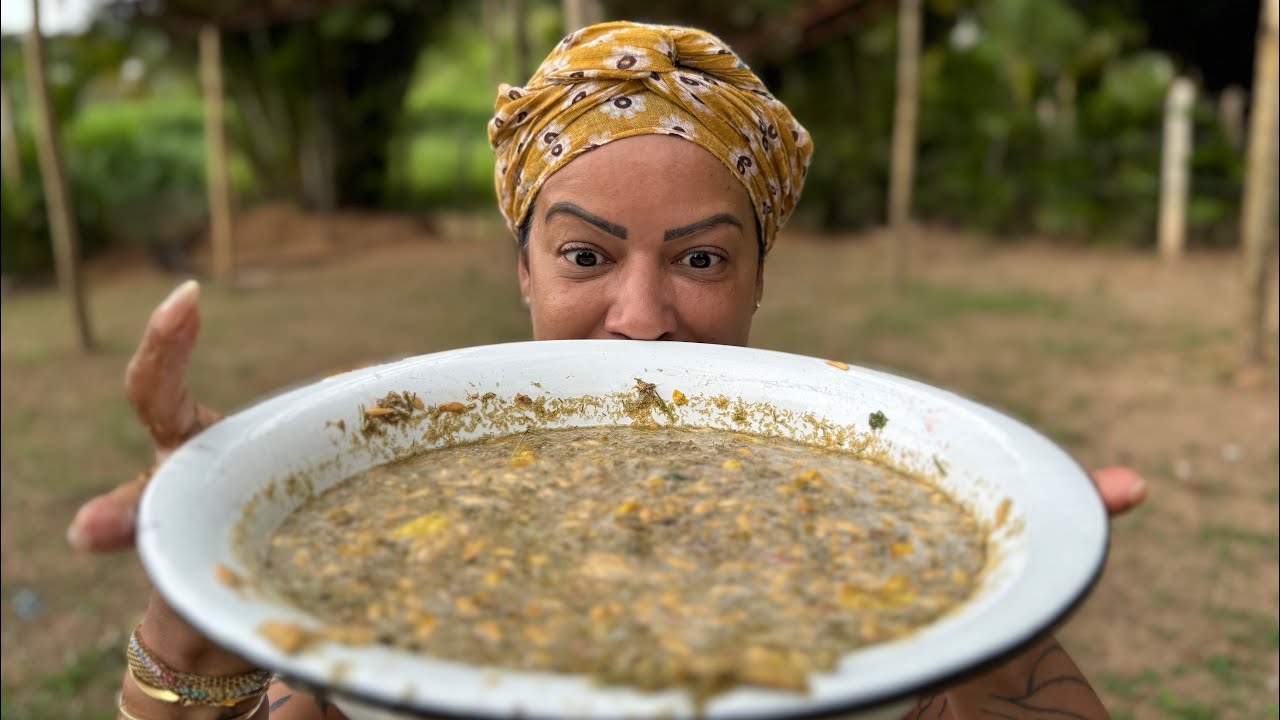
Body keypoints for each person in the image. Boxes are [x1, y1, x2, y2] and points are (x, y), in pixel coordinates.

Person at [69, 21, 1146, 720]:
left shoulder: (893, 579)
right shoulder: (370, 567)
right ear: (523, 273)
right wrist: (189, 616)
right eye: (585, 257)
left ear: (757, 280)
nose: (639, 321)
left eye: (701, 260)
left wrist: (992, 615)